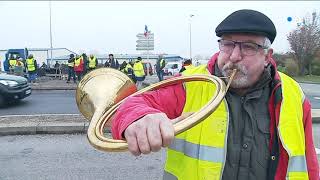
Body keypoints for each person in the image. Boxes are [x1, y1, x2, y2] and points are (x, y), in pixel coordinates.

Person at [111, 9, 319, 180]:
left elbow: (309, 163)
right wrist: (139, 117)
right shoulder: (190, 82)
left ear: (267, 56)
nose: (234, 56)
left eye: (248, 46)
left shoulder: (292, 92)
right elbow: (133, 104)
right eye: (228, 44)